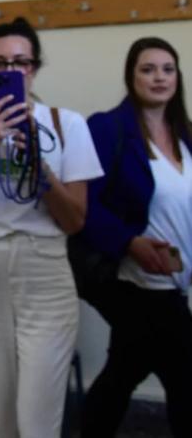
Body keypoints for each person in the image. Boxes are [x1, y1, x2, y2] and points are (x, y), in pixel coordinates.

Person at [0, 17, 102, 437]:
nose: (10, 70)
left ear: (34, 68)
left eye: (20, 62)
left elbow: (75, 219)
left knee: (38, 418)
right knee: (0, 415)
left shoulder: (67, 124)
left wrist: (38, 165)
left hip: (46, 269)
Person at [78, 37, 192, 437]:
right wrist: (130, 242)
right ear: (131, 77)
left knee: (123, 372)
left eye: (167, 69)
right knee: (183, 377)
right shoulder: (108, 128)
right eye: (148, 69)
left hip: (175, 281)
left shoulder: (185, 135)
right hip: (135, 281)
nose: (159, 77)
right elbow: (84, 204)